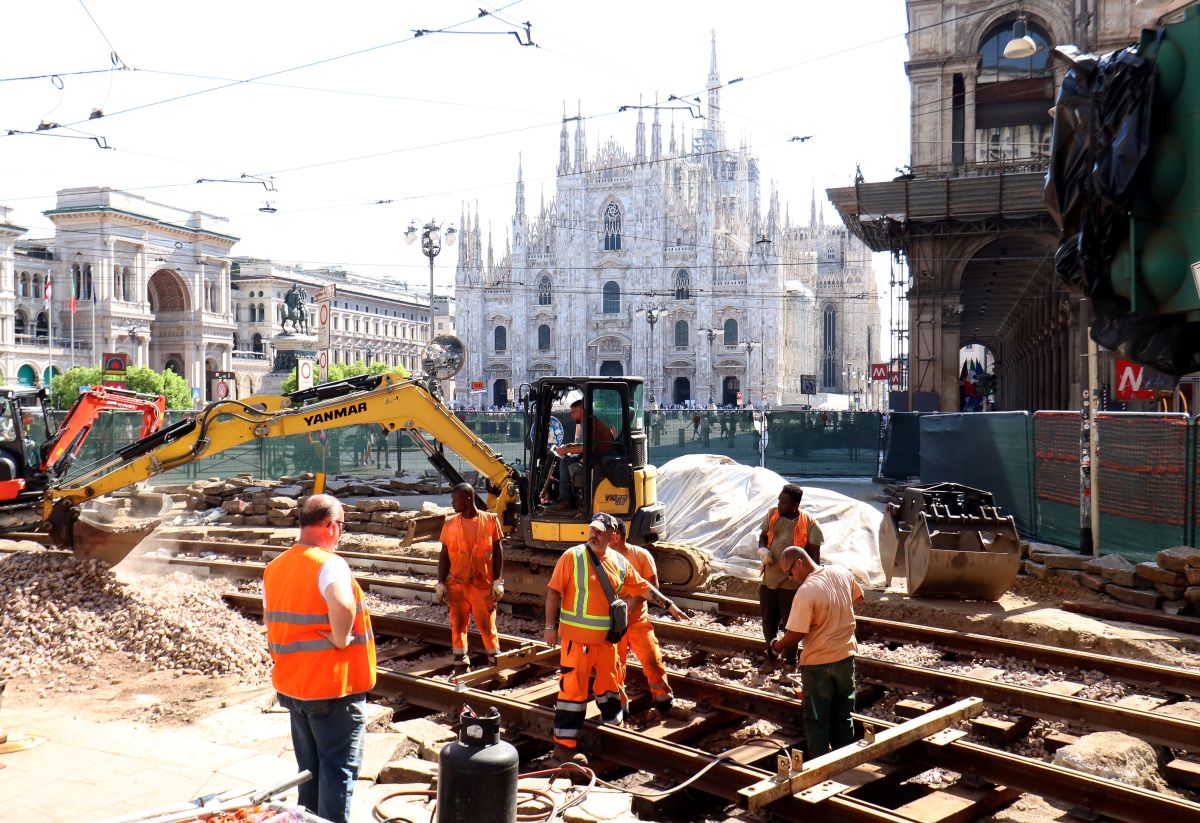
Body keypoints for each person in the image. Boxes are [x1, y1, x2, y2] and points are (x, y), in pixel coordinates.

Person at [263, 495, 376, 823]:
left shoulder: (275, 568)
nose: (340, 532)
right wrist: (341, 639)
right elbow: (342, 604)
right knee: (338, 773)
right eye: (341, 525)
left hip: (293, 687)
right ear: (330, 526)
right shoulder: (328, 563)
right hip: (331, 688)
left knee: (309, 773)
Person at [544, 512, 688, 765]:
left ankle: (614, 733)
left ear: (613, 536)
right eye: (592, 530)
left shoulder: (620, 562)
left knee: (610, 688)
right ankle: (564, 750)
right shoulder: (573, 557)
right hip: (577, 642)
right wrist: (549, 626)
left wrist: (668, 605)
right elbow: (553, 592)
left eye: (600, 532)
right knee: (573, 693)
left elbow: (642, 586)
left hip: (607, 641)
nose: (594, 535)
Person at [769, 546, 864, 757]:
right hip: (846, 658)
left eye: (789, 573)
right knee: (844, 714)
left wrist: (776, 646)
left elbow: (795, 634)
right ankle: (844, 761)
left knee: (817, 720)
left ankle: (819, 768)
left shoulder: (806, 591)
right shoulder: (841, 572)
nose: (791, 578)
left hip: (818, 665)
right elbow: (858, 598)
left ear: (799, 563)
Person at [609, 518, 677, 716]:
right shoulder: (603, 558)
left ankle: (663, 699)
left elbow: (652, 586)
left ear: (616, 536)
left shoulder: (640, 555)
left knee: (652, 660)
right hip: (614, 624)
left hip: (637, 621)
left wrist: (634, 602)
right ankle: (620, 705)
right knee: (614, 666)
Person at [436, 483, 504, 670]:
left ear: (467, 500)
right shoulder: (449, 524)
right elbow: (444, 554)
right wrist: (441, 582)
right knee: (457, 625)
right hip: (456, 585)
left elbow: (498, 552)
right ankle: (460, 662)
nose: (452, 503)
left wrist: (498, 581)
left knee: (487, 626)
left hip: (482, 585)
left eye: (454, 499)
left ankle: (495, 663)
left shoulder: (490, 520)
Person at [757, 483, 824, 673]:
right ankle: (771, 657)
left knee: (791, 624)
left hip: (792, 584)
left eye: (784, 503)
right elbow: (763, 536)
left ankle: (789, 662)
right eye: (779, 500)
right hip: (770, 578)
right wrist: (762, 549)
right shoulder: (772, 515)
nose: (779, 505)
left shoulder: (809, 523)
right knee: (768, 620)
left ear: (795, 505)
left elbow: (814, 559)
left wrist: (809, 584)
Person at [551, 398, 614, 513]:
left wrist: (565, 451)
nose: (571, 416)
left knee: (565, 461)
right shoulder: (590, 422)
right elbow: (589, 444)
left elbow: (588, 448)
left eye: (573, 412)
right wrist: (572, 446)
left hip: (597, 463)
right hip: (596, 459)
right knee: (567, 460)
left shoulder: (591, 424)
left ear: (581, 411)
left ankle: (565, 501)